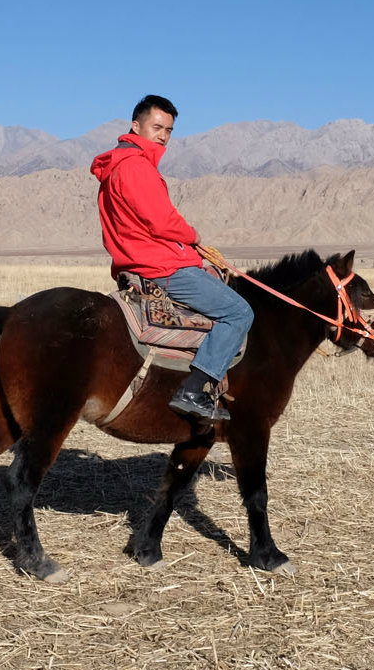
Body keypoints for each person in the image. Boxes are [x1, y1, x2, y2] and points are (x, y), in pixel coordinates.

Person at [90, 94, 252, 424]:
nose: (163, 135)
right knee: (238, 311)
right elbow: (161, 221)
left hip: (139, 261)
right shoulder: (135, 167)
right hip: (161, 267)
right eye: (157, 127)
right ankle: (197, 389)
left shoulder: (118, 166)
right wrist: (193, 237)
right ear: (135, 126)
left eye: (169, 130)